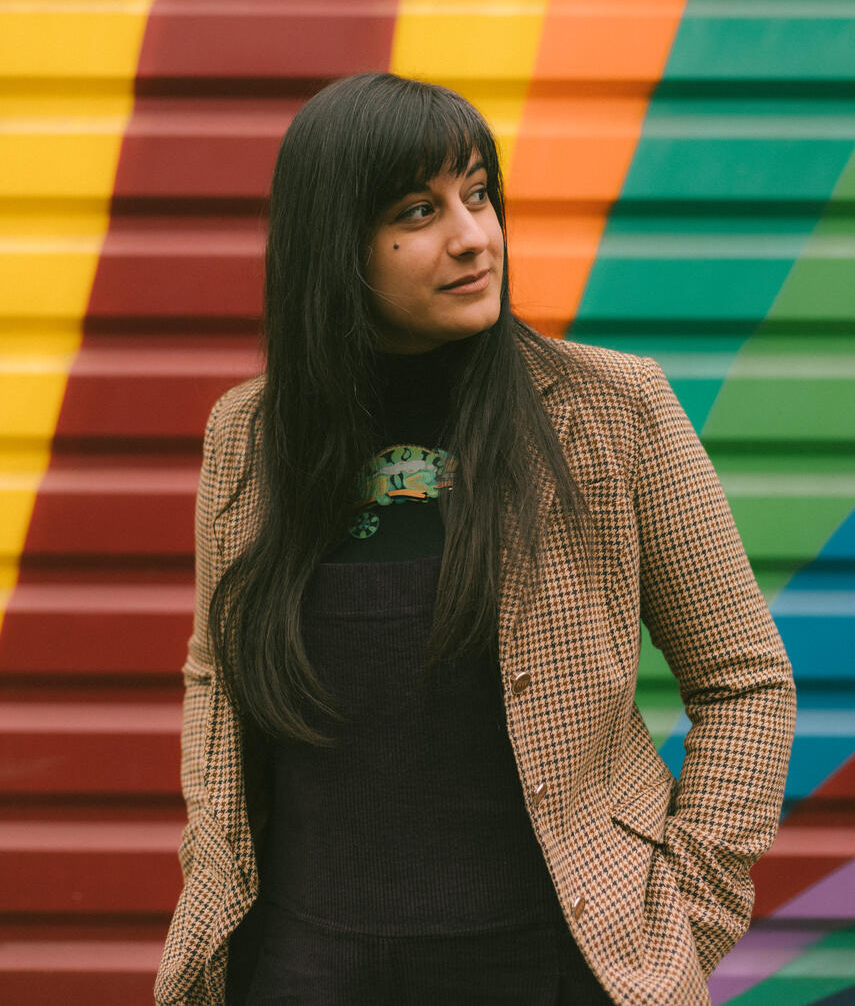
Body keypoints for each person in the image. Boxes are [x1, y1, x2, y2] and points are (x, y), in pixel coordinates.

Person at [154, 73, 796, 1006]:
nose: (472, 234)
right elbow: (217, 672)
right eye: (418, 209)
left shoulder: (612, 411)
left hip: (549, 964)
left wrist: (683, 915)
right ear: (334, 246)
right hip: (301, 969)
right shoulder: (249, 436)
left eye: (478, 192)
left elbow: (746, 682)